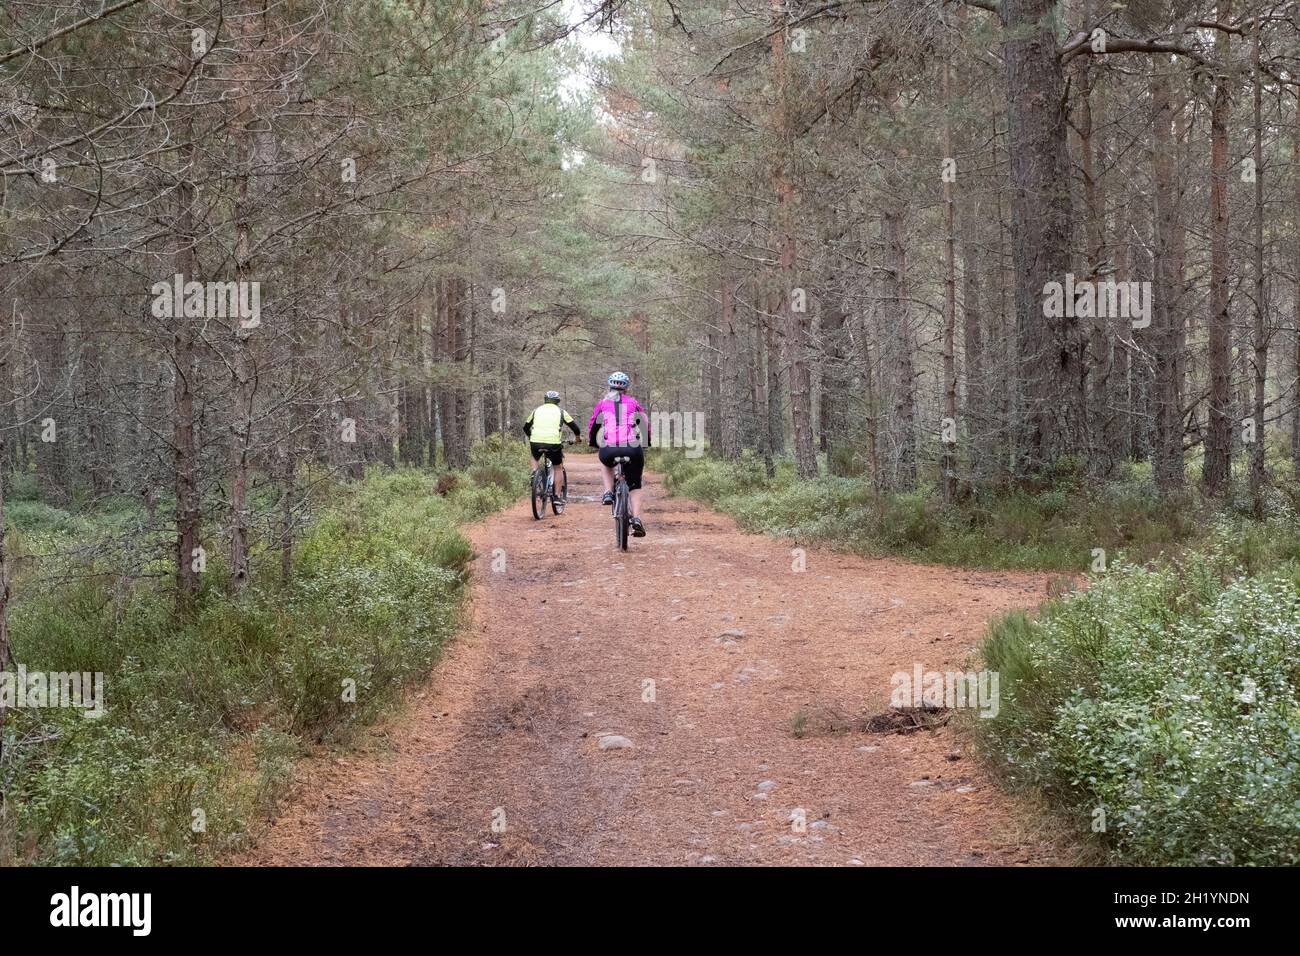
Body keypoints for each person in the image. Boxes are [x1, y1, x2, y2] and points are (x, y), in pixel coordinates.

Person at [587, 371, 650, 537]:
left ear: (610, 387)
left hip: (610, 448)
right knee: (635, 484)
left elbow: (594, 424)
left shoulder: (602, 403)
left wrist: (592, 441)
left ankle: (608, 492)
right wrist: (646, 442)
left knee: (605, 462)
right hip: (632, 447)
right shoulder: (633, 403)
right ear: (626, 389)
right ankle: (636, 518)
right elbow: (644, 422)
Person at [523, 390, 580, 500]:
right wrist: (577, 438)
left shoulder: (536, 410)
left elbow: (525, 427)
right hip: (553, 443)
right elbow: (575, 428)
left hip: (536, 442)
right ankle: (557, 496)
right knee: (558, 468)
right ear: (558, 401)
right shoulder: (561, 412)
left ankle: (535, 473)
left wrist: (531, 436)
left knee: (535, 457)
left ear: (545, 400)